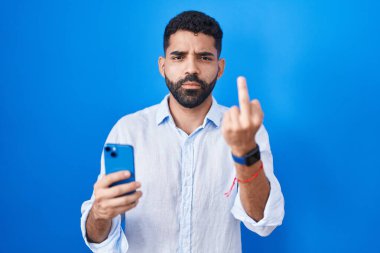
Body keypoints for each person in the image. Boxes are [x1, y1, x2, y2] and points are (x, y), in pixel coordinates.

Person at [80, 10, 284, 253]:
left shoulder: (245, 130)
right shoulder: (129, 130)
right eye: (178, 57)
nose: (191, 69)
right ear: (163, 66)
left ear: (220, 68)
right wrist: (100, 213)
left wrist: (245, 153)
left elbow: (262, 221)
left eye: (204, 57)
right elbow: (99, 240)